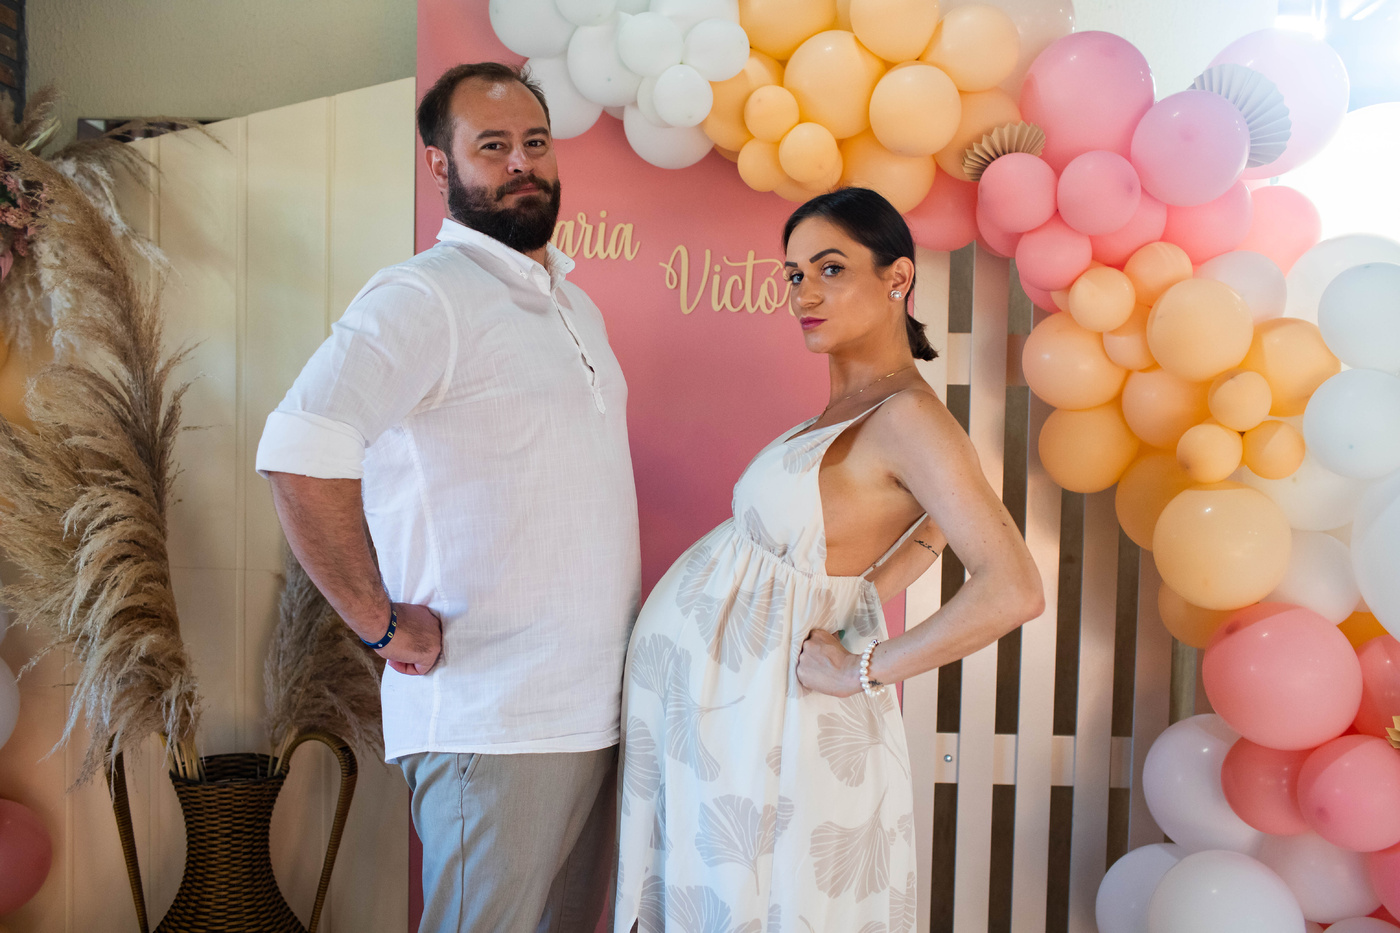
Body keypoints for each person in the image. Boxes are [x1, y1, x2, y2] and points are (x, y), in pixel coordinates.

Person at [256, 63, 640, 933]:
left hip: (593, 712)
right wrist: (378, 623)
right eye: (492, 146)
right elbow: (299, 451)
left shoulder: (576, 306)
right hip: (490, 719)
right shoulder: (424, 295)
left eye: (535, 142)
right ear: (441, 166)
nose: (521, 163)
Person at [613, 187, 1044, 931]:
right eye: (794, 274)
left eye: (831, 268)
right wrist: (869, 591)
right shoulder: (851, 409)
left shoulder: (909, 417)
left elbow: (1014, 588)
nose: (804, 293)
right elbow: (922, 530)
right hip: (732, 728)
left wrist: (862, 667)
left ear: (898, 277)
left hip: (780, 728)